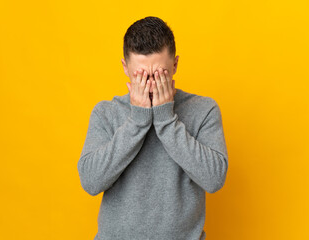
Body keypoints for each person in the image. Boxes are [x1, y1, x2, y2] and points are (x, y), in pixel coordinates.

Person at [77, 16, 228, 240]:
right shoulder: (106, 113)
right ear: (125, 67)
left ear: (175, 65)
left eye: (159, 75)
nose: (150, 84)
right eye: (141, 76)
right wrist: (137, 121)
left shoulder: (203, 110)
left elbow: (214, 179)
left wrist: (166, 119)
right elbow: (90, 181)